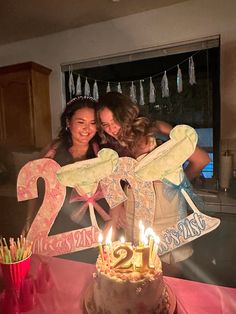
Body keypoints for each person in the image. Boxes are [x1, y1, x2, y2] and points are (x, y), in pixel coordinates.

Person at [97, 91, 210, 274]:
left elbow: (202, 159)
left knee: (168, 279)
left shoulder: (156, 131)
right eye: (106, 125)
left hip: (166, 217)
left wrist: (176, 181)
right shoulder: (114, 147)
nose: (112, 129)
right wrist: (117, 211)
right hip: (134, 219)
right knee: (140, 279)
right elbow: (114, 182)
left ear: (126, 114)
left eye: (115, 121)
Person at [23, 96, 114, 263]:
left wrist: (114, 218)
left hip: (95, 225)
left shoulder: (102, 153)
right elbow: (33, 186)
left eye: (93, 123)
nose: (87, 128)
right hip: (61, 226)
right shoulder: (52, 151)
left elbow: (114, 190)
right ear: (68, 122)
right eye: (81, 122)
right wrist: (29, 221)